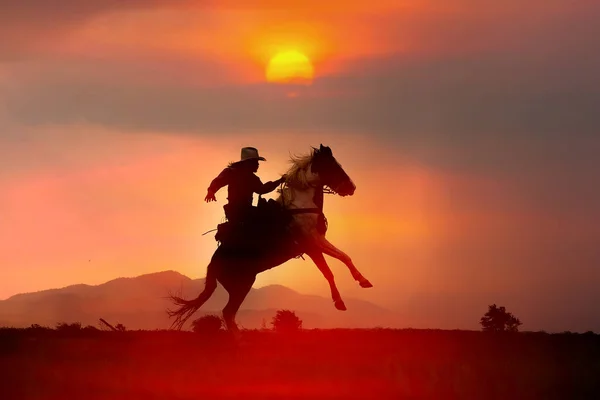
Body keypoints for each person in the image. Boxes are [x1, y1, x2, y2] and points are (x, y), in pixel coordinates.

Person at [205, 147, 286, 232]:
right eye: (256, 162)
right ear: (248, 163)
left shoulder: (251, 178)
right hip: (239, 212)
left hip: (244, 211)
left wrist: (279, 181)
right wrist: (211, 191)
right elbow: (219, 181)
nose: (258, 165)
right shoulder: (233, 173)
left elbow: (262, 189)